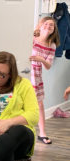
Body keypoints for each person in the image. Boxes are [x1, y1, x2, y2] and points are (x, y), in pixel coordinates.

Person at [30, 16, 60, 144]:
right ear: (40, 25)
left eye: (51, 25)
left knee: (40, 104)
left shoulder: (51, 45)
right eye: (46, 24)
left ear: (54, 30)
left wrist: (40, 59)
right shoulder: (32, 38)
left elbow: (48, 66)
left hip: (37, 75)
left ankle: (42, 133)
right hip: (27, 72)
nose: (48, 26)